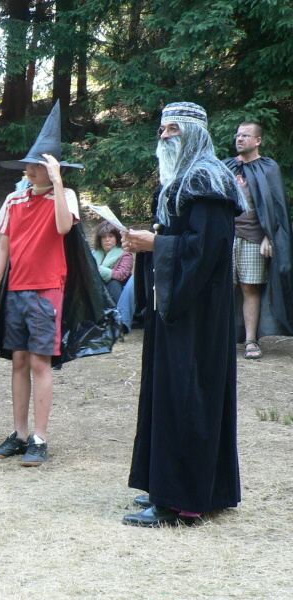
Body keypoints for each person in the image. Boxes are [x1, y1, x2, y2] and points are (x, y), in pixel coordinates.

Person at [121, 101, 243, 526]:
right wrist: (145, 243)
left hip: (197, 311)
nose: (163, 136)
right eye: (162, 128)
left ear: (194, 133)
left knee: (188, 395)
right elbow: (180, 237)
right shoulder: (181, 179)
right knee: (169, 392)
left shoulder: (207, 179)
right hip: (175, 303)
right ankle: (170, 488)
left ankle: (182, 501)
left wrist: (155, 245)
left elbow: (208, 249)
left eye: (173, 129)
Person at [0, 101, 84, 467]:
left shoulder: (65, 196)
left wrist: (57, 182)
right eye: (28, 165)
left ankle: (39, 438)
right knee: (19, 361)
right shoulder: (14, 199)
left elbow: (63, 227)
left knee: (41, 362)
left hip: (47, 290)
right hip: (16, 290)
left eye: (38, 165)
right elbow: (4, 247)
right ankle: (20, 434)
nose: (30, 170)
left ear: (53, 169)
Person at [224, 121, 293, 359]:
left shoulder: (268, 168)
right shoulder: (226, 166)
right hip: (225, 237)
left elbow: (277, 207)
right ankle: (219, 338)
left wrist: (269, 237)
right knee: (223, 287)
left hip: (254, 238)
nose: (239, 139)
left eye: (245, 135)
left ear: (258, 140)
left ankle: (251, 341)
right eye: (238, 135)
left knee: (250, 287)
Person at [93, 222, 133, 303]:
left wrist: (103, 272)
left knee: (113, 283)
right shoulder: (92, 253)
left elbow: (122, 274)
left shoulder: (125, 254)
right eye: (104, 237)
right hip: (96, 288)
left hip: (119, 290)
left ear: (117, 238)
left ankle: (119, 310)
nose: (107, 240)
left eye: (111, 236)